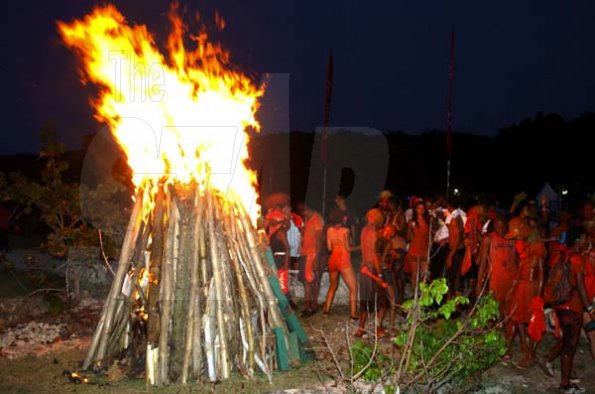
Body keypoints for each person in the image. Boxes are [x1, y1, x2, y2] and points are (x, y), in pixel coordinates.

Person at [538, 230, 592, 393]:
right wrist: (590, 308)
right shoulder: (577, 259)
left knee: (568, 339)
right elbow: (581, 288)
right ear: (577, 241)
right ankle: (565, 384)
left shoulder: (563, 255)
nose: (588, 242)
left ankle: (547, 359)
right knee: (570, 346)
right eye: (585, 239)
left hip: (561, 305)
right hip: (572, 307)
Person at [505, 217, 546, 369]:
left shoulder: (538, 248)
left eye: (517, 235)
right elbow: (520, 269)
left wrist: (538, 296)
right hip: (521, 286)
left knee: (534, 321)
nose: (516, 239)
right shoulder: (523, 244)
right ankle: (513, 348)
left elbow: (542, 274)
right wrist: (512, 288)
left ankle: (530, 354)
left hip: (532, 288)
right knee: (514, 316)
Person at [355, 208, 389, 337]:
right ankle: (378, 328)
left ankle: (360, 328)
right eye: (371, 215)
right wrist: (379, 274)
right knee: (382, 300)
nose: (371, 217)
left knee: (365, 300)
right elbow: (374, 254)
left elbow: (363, 248)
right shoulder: (373, 232)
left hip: (363, 267)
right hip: (371, 268)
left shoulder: (364, 230)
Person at [323, 209, 359, 319]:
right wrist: (360, 247)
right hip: (343, 259)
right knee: (353, 288)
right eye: (344, 217)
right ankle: (353, 314)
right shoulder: (345, 231)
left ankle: (326, 310)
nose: (346, 218)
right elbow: (348, 248)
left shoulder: (329, 230)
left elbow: (329, 248)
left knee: (333, 285)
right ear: (341, 218)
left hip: (333, 258)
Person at [298, 203, 325, 317]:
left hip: (312, 255)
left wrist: (316, 259)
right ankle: (308, 305)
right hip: (305, 253)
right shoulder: (308, 220)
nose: (303, 215)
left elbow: (319, 241)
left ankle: (311, 305)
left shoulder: (317, 219)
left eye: (303, 212)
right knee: (306, 281)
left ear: (307, 210)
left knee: (311, 281)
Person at [266, 210, 291, 300]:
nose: (270, 221)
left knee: (282, 284)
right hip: (276, 259)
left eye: (271, 219)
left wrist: (286, 263)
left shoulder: (280, 232)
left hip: (280, 259)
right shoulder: (274, 230)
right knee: (278, 283)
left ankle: (289, 306)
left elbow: (287, 248)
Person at [406, 201, 431, 291]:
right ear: (415, 209)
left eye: (423, 208)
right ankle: (415, 297)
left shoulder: (428, 222)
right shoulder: (412, 222)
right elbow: (408, 238)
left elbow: (430, 237)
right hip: (414, 250)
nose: (421, 210)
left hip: (424, 251)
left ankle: (423, 297)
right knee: (415, 276)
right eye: (419, 208)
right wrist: (410, 229)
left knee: (424, 276)